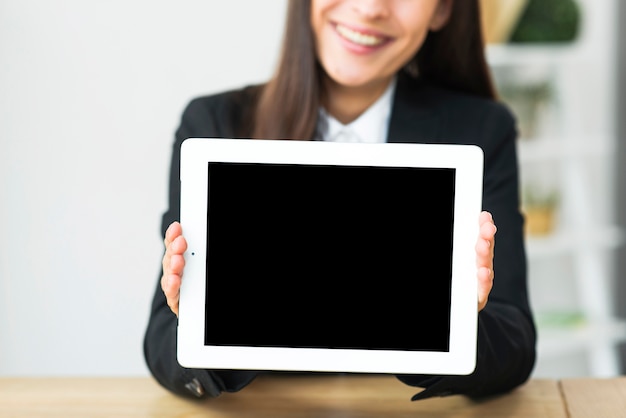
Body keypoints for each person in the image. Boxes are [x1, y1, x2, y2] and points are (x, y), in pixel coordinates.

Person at [144, 0, 537, 401]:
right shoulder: (217, 126)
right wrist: (207, 320)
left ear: (442, 10)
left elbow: (515, 344)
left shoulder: (481, 130)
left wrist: (449, 324)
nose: (368, 8)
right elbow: (162, 344)